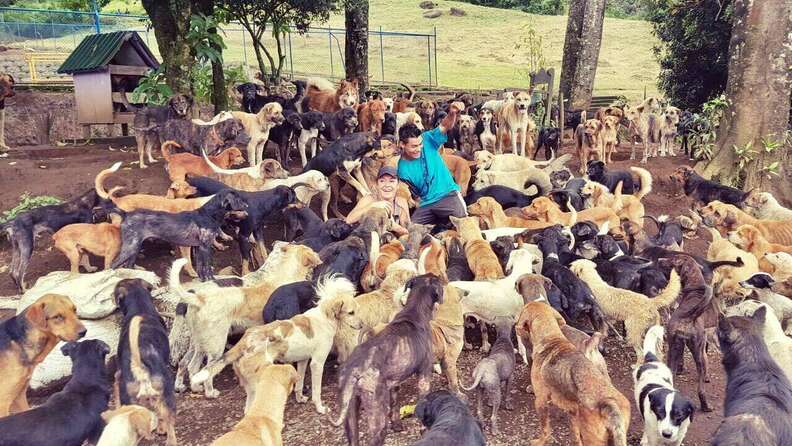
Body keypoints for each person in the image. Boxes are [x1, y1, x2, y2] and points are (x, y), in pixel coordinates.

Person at [397, 101, 467, 226]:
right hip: (426, 203)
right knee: (412, 230)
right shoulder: (401, 168)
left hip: (448, 195)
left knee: (464, 224)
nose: (419, 149)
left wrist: (452, 113)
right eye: (413, 146)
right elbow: (413, 194)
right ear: (402, 144)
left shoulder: (427, 139)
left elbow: (444, 126)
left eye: (420, 144)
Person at [346, 165, 410, 236]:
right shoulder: (369, 199)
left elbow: (407, 231)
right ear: (377, 185)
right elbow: (348, 220)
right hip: (367, 239)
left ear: (398, 185)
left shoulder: (401, 202)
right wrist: (372, 206)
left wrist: (394, 227)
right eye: (382, 181)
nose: (387, 185)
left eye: (391, 181)